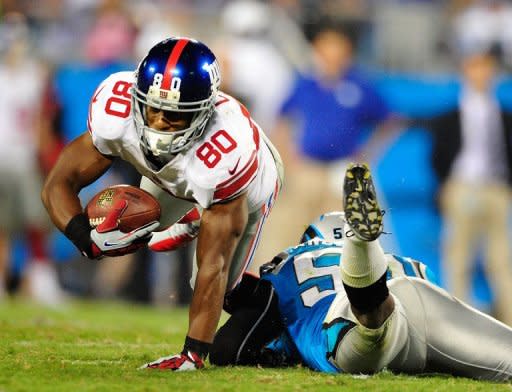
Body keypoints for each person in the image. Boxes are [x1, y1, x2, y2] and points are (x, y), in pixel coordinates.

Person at [41, 36, 283, 370]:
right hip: (171, 179)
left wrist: (192, 354)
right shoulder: (116, 108)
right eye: (153, 108)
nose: (157, 122)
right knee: (141, 234)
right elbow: (58, 183)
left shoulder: (227, 151)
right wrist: (86, 239)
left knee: (217, 290)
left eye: (173, 115)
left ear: (202, 113)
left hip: (242, 188)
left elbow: (215, 265)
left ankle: (204, 216)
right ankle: (196, 214)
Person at [210, 163, 512, 381]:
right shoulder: (399, 258)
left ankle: (364, 267)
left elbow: (234, 346)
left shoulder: (286, 265)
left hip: (344, 325)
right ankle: (365, 258)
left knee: (366, 323)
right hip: (414, 294)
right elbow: (429, 283)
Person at [425, 48, 512, 325]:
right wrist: (446, 185)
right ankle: (458, 322)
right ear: (465, 71)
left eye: (486, 67)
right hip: (462, 186)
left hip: (495, 188)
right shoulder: (451, 116)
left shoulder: (502, 115)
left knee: (500, 260)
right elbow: (437, 156)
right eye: (475, 67)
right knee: (459, 256)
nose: (481, 73)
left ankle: (508, 321)